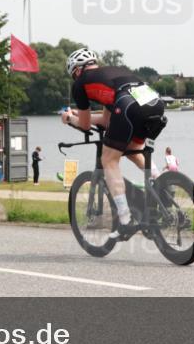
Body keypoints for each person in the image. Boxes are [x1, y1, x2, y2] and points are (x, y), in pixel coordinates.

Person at [60, 48, 166, 239]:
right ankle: (163, 184)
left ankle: (125, 220)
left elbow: (84, 125)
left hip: (127, 105)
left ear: (76, 71)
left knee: (108, 159)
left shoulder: (80, 84)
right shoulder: (112, 74)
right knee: (133, 149)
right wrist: (80, 114)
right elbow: (107, 120)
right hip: (154, 103)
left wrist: (69, 119)